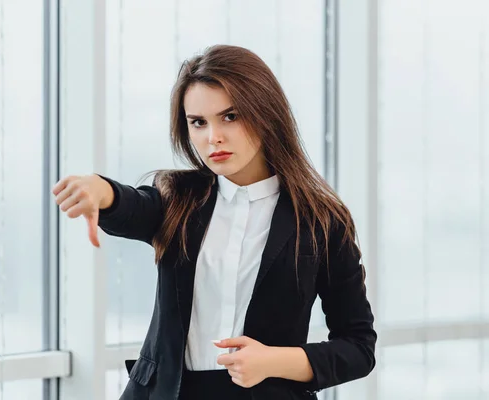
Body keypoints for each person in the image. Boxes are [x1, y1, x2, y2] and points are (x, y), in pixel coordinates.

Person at [52, 44, 376, 400]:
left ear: (265, 113)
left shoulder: (321, 221)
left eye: (231, 116)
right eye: (198, 122)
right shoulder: (178, 198)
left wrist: (274, 361)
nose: (213, 138)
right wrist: (102, 191)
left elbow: (358, 347)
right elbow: (133, 207)